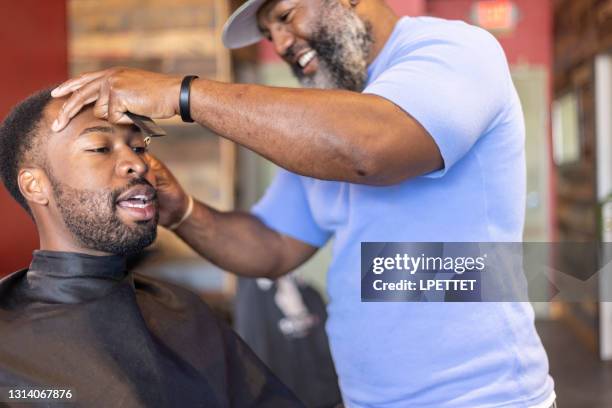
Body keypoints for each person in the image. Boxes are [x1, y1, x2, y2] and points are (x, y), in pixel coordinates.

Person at [50, 0, 556, 406]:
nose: (282, 43)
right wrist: (180, 209)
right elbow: (270, 247)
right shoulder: (327, 121)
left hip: (485, 397)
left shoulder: (452, 49)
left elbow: (370, 150)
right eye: (270, 33)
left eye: (286, 16)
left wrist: (185, 95)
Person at [0, 89, 303, 408]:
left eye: (139, 147)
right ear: (35, 185)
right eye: (101, 148)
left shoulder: (182, 311)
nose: (140, 164)